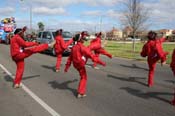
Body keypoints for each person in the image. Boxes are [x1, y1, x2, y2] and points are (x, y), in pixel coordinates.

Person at [64, 31, 106, 98]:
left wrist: (66, 68)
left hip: (76, 65)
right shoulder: (82, 47)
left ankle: (81, 92)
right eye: (83, 38)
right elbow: (91, 56)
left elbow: (69, 59)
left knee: (83, 74)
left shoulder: (74, 47)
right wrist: (101, 62)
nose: (85, 39)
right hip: (80, 64)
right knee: (84, 77)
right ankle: (80, 93)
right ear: (80, 39)